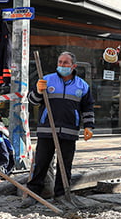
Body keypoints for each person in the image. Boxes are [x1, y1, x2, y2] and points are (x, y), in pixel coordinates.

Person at [22, 51, 95, 208]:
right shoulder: (47, 80)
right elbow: (33, 101)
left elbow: (88, 108)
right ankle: (33, 194)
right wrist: (38, 91)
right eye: (60, 62)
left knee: (65, 165)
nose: (62, 65)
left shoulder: (82, 85)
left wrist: (89, 126)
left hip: (69, 131)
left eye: (65, 63)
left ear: (73, 66)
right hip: (47, 130)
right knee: (41, 163)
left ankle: (61, 195)